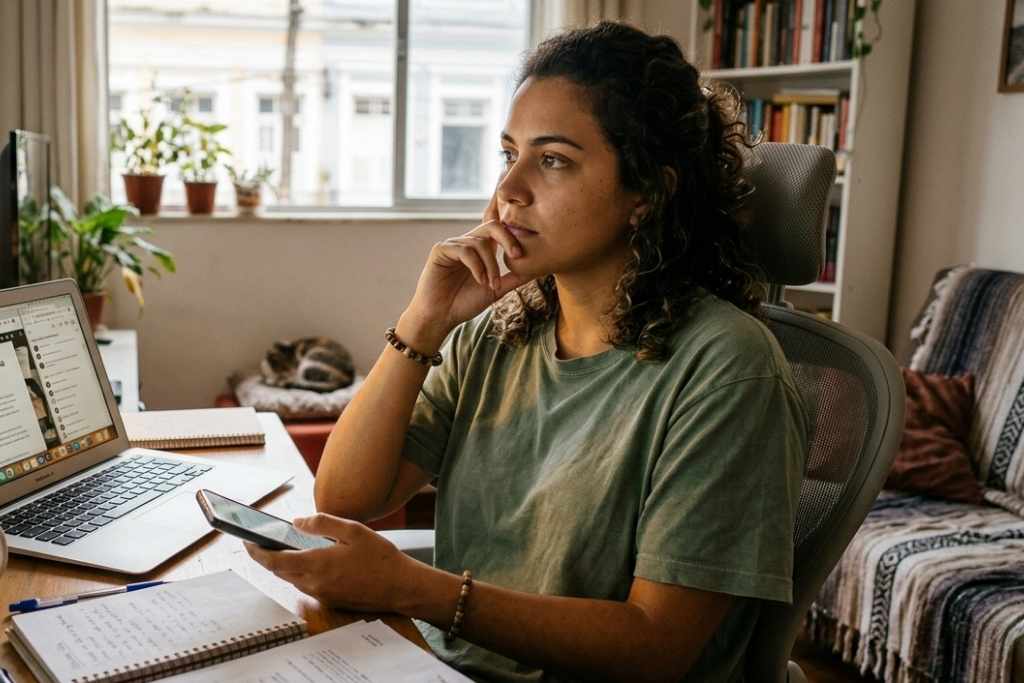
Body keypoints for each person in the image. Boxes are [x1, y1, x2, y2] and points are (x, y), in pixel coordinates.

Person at [246, 21, 808, 682]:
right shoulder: (499, 332)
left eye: (553, 160)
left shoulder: (729, 370)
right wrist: (423, 321)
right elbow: (345, 496)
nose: (509, 189)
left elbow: (656, 646)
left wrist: (414, 588)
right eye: (509, 153)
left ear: (647, 193)